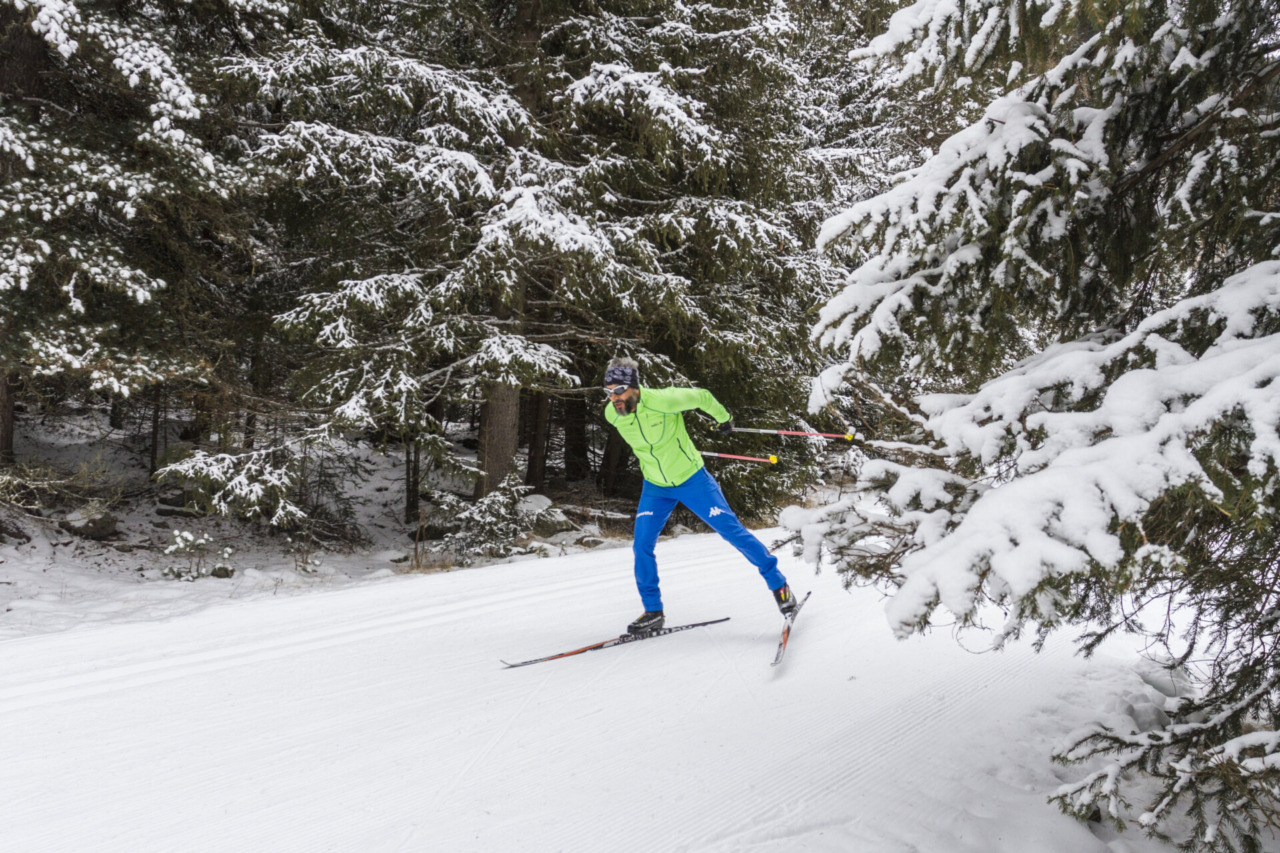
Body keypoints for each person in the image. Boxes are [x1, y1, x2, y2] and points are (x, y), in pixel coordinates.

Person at [601, 356, 797, 635]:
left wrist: (724, 418)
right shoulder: (613, 414)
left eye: (619, 390)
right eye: (607, 392)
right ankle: (653, 611)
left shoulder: (664, 400)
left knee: (733, 533)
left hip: (692, 480)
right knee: (641, 545)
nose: (614, 398)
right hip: (655, 486)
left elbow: (702, 397)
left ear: (634, 387)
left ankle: (781, 588)